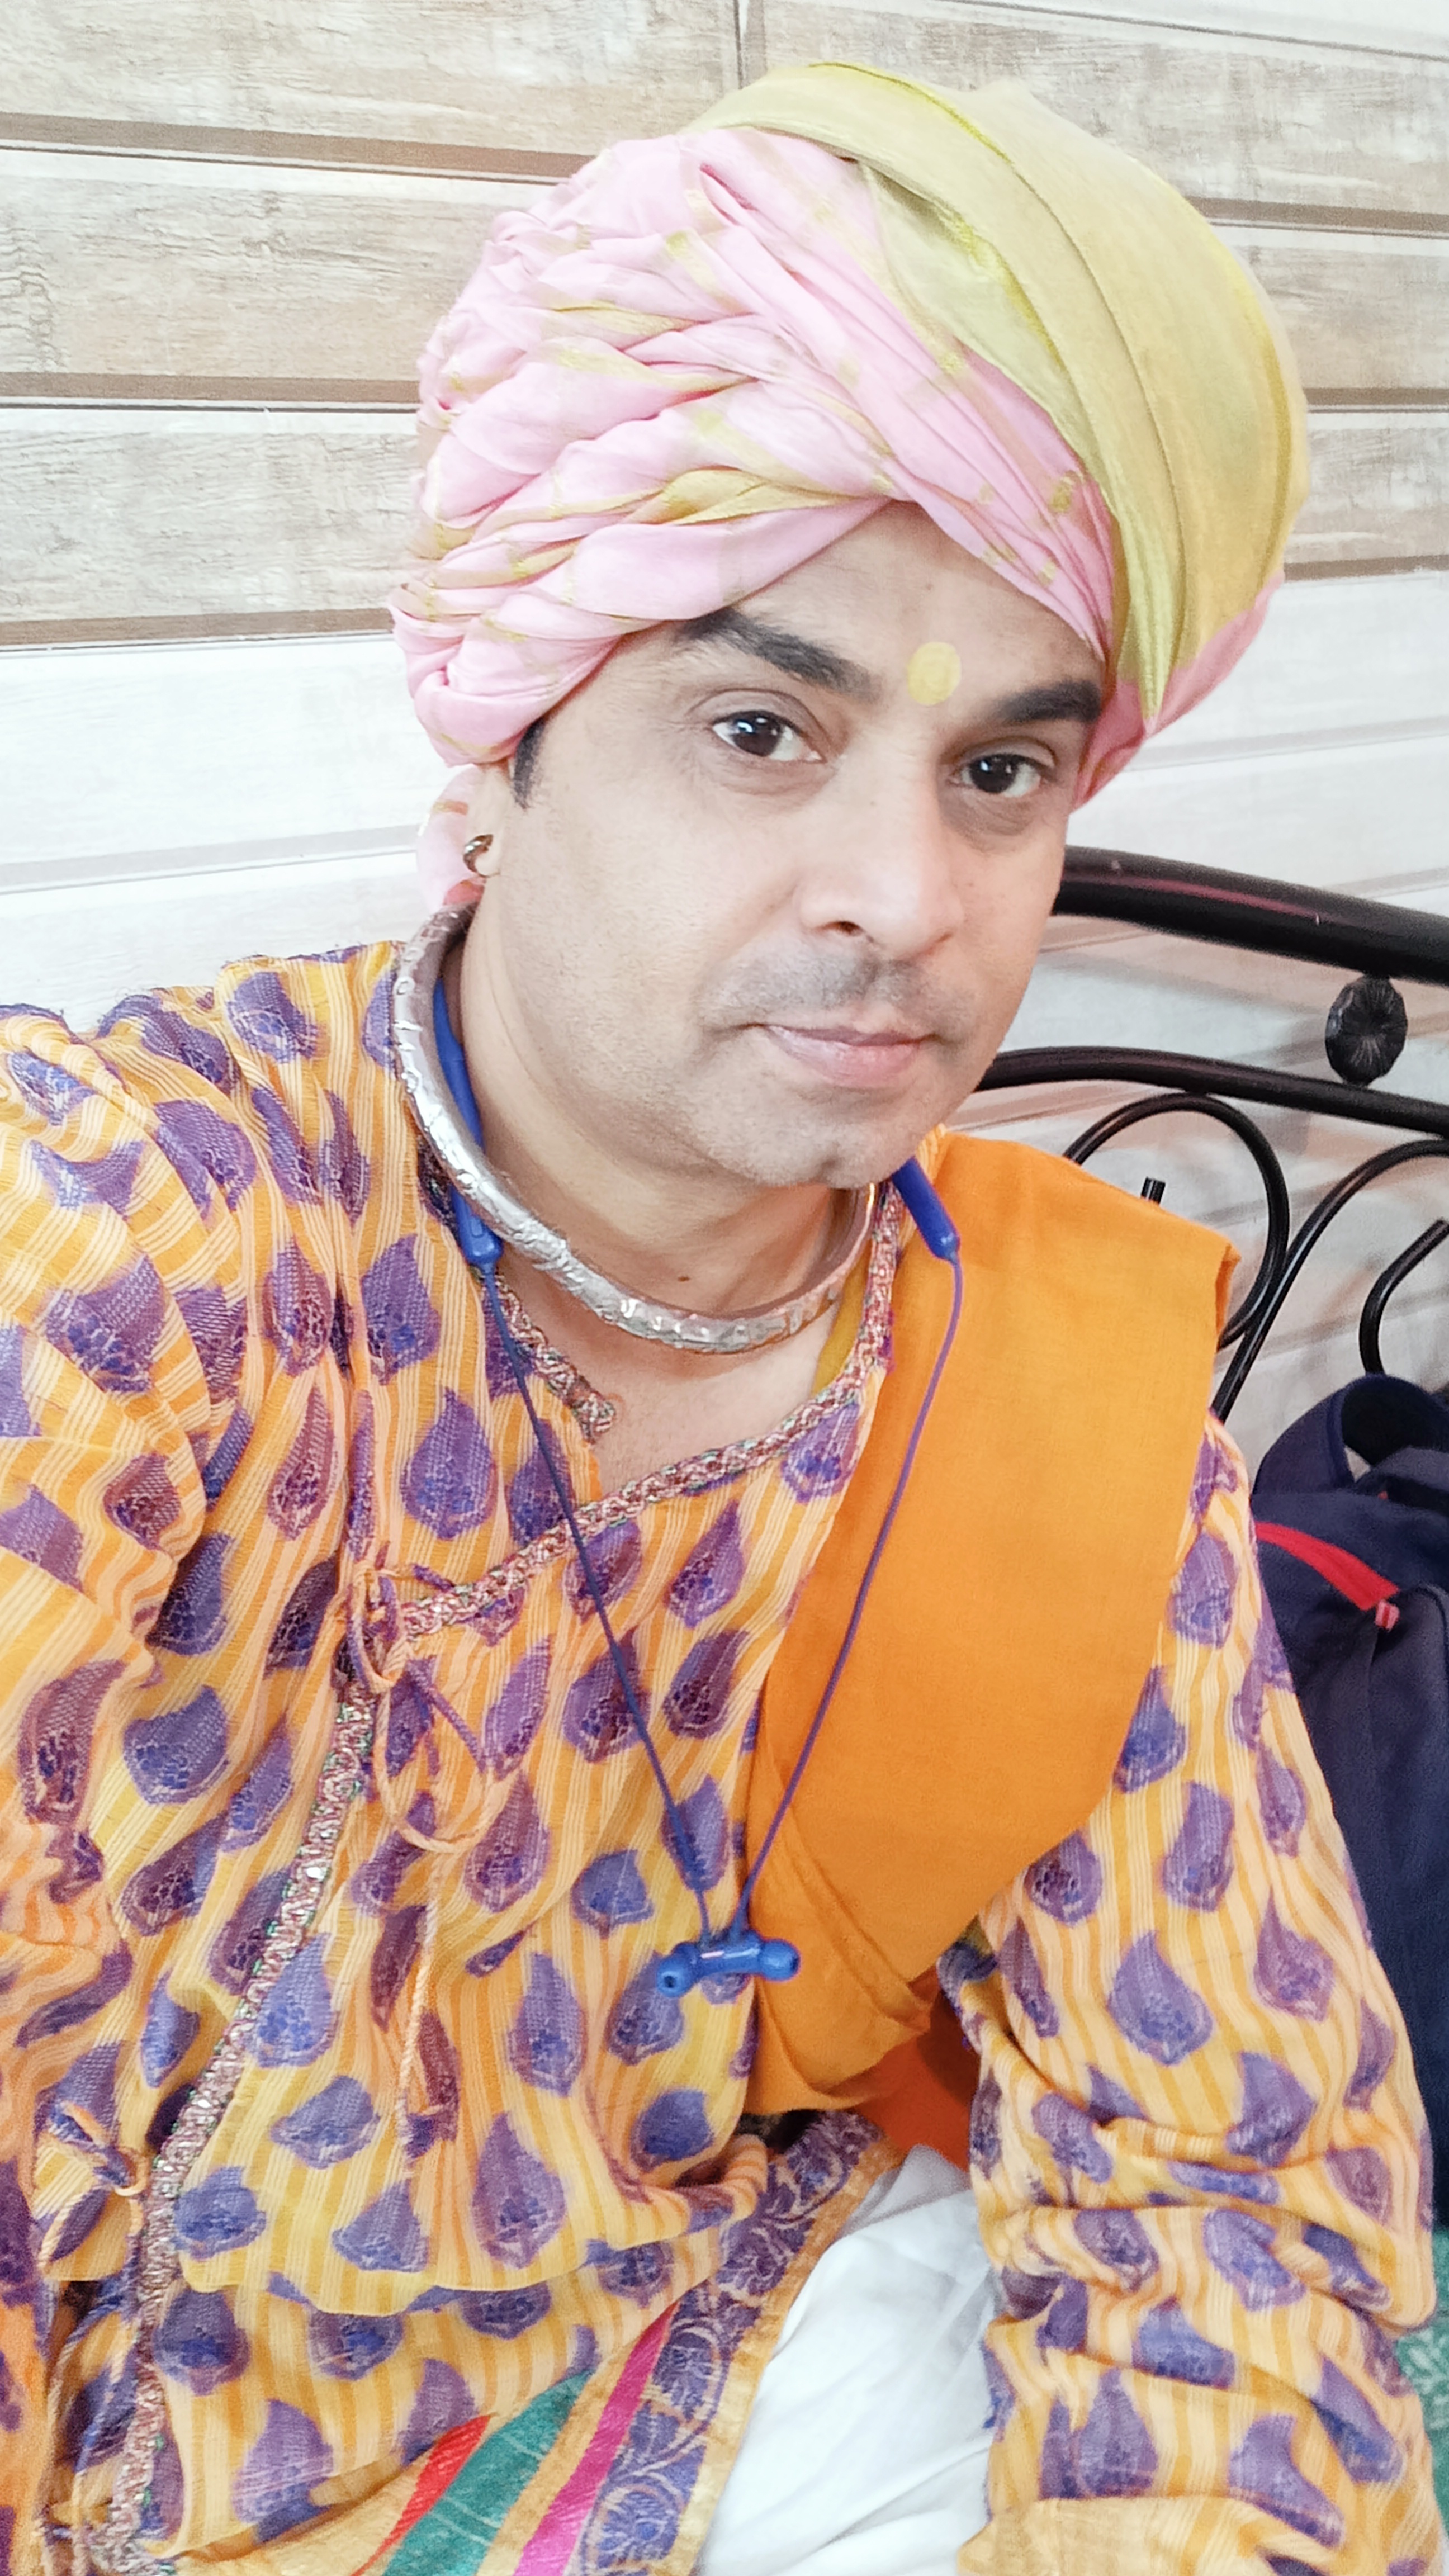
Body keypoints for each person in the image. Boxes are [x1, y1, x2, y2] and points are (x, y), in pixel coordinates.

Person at [0, 56, 1438, 2576]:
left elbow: (1229, 2181)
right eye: (761, 728)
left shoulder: (1053, 1396)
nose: (909, 896)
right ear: (501, 747)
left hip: (711, 2357)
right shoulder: (126, 1242)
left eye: (1003, 774)